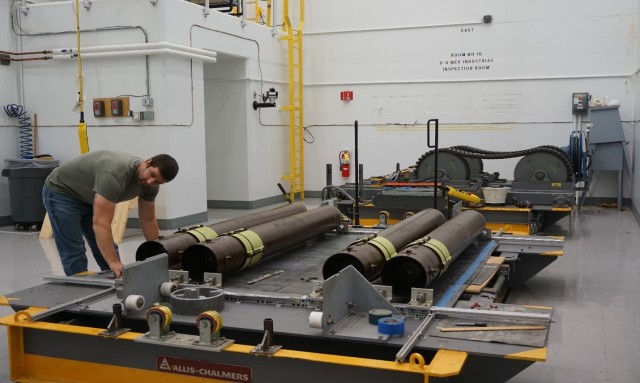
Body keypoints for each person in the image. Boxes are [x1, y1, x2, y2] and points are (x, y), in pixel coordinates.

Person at [42, 150, 179, 278]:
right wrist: (114, 262)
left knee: (108, 249)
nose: (150, 182)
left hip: (89, 196)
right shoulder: (115, 172)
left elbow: (148, 219)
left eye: (157, 182)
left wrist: (157, 253)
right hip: (62, 193)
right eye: (152, 175)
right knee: (74, 251)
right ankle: (81, 291)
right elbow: (100, 223)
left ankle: (114, 282)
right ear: (147, 162)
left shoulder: (151, 187)